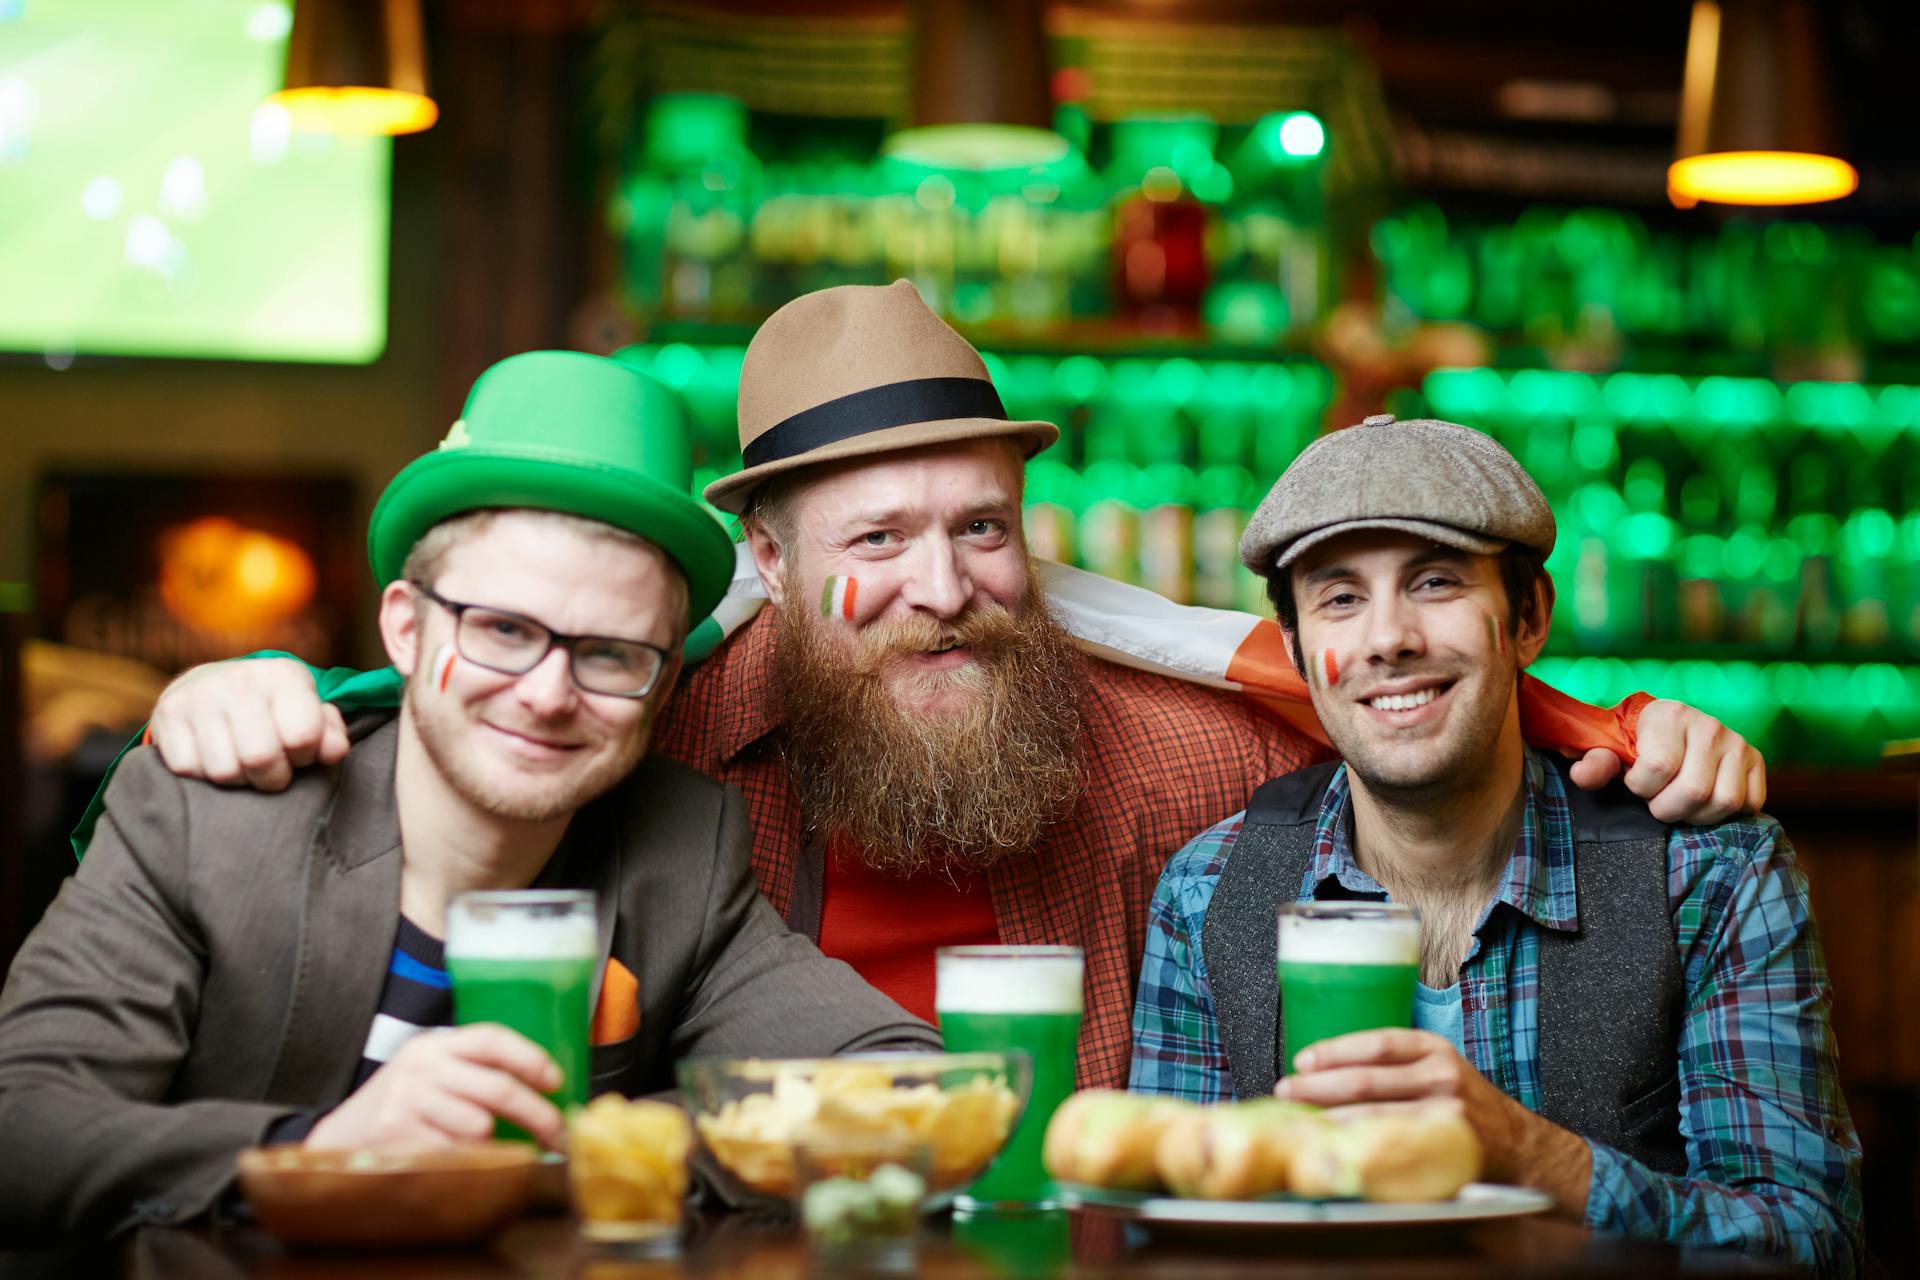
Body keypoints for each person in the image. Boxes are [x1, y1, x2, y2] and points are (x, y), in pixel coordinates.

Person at [121, 283, 1765, 1091]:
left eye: (982, 527)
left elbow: (1407, 705)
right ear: (765, 557)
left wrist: (1625, 740)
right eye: (881, 537)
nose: (944, 585)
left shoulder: (1173, 750)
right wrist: (240, 702)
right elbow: (453, 729)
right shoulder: (652, 733)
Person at [0, 352, 936, 1237]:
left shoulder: (681, 855)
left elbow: (908, 1093)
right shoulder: (211, 815)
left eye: (611, 653)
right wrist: (318, 1155)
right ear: (404, 629)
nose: (546, 692)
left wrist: (580, 1152)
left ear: (659, 686)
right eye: (501, 629)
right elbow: (22, 1128)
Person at [1127, 416, 1861, 1273]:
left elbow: (1813, 1245)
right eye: (1339, 598)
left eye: (1435, 582)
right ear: (1295, 650)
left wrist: (1533, 1157)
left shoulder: (1708, 873)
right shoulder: (1208, 890)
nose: (1388, 637)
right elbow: (1164, 1234)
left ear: (1528, 617)